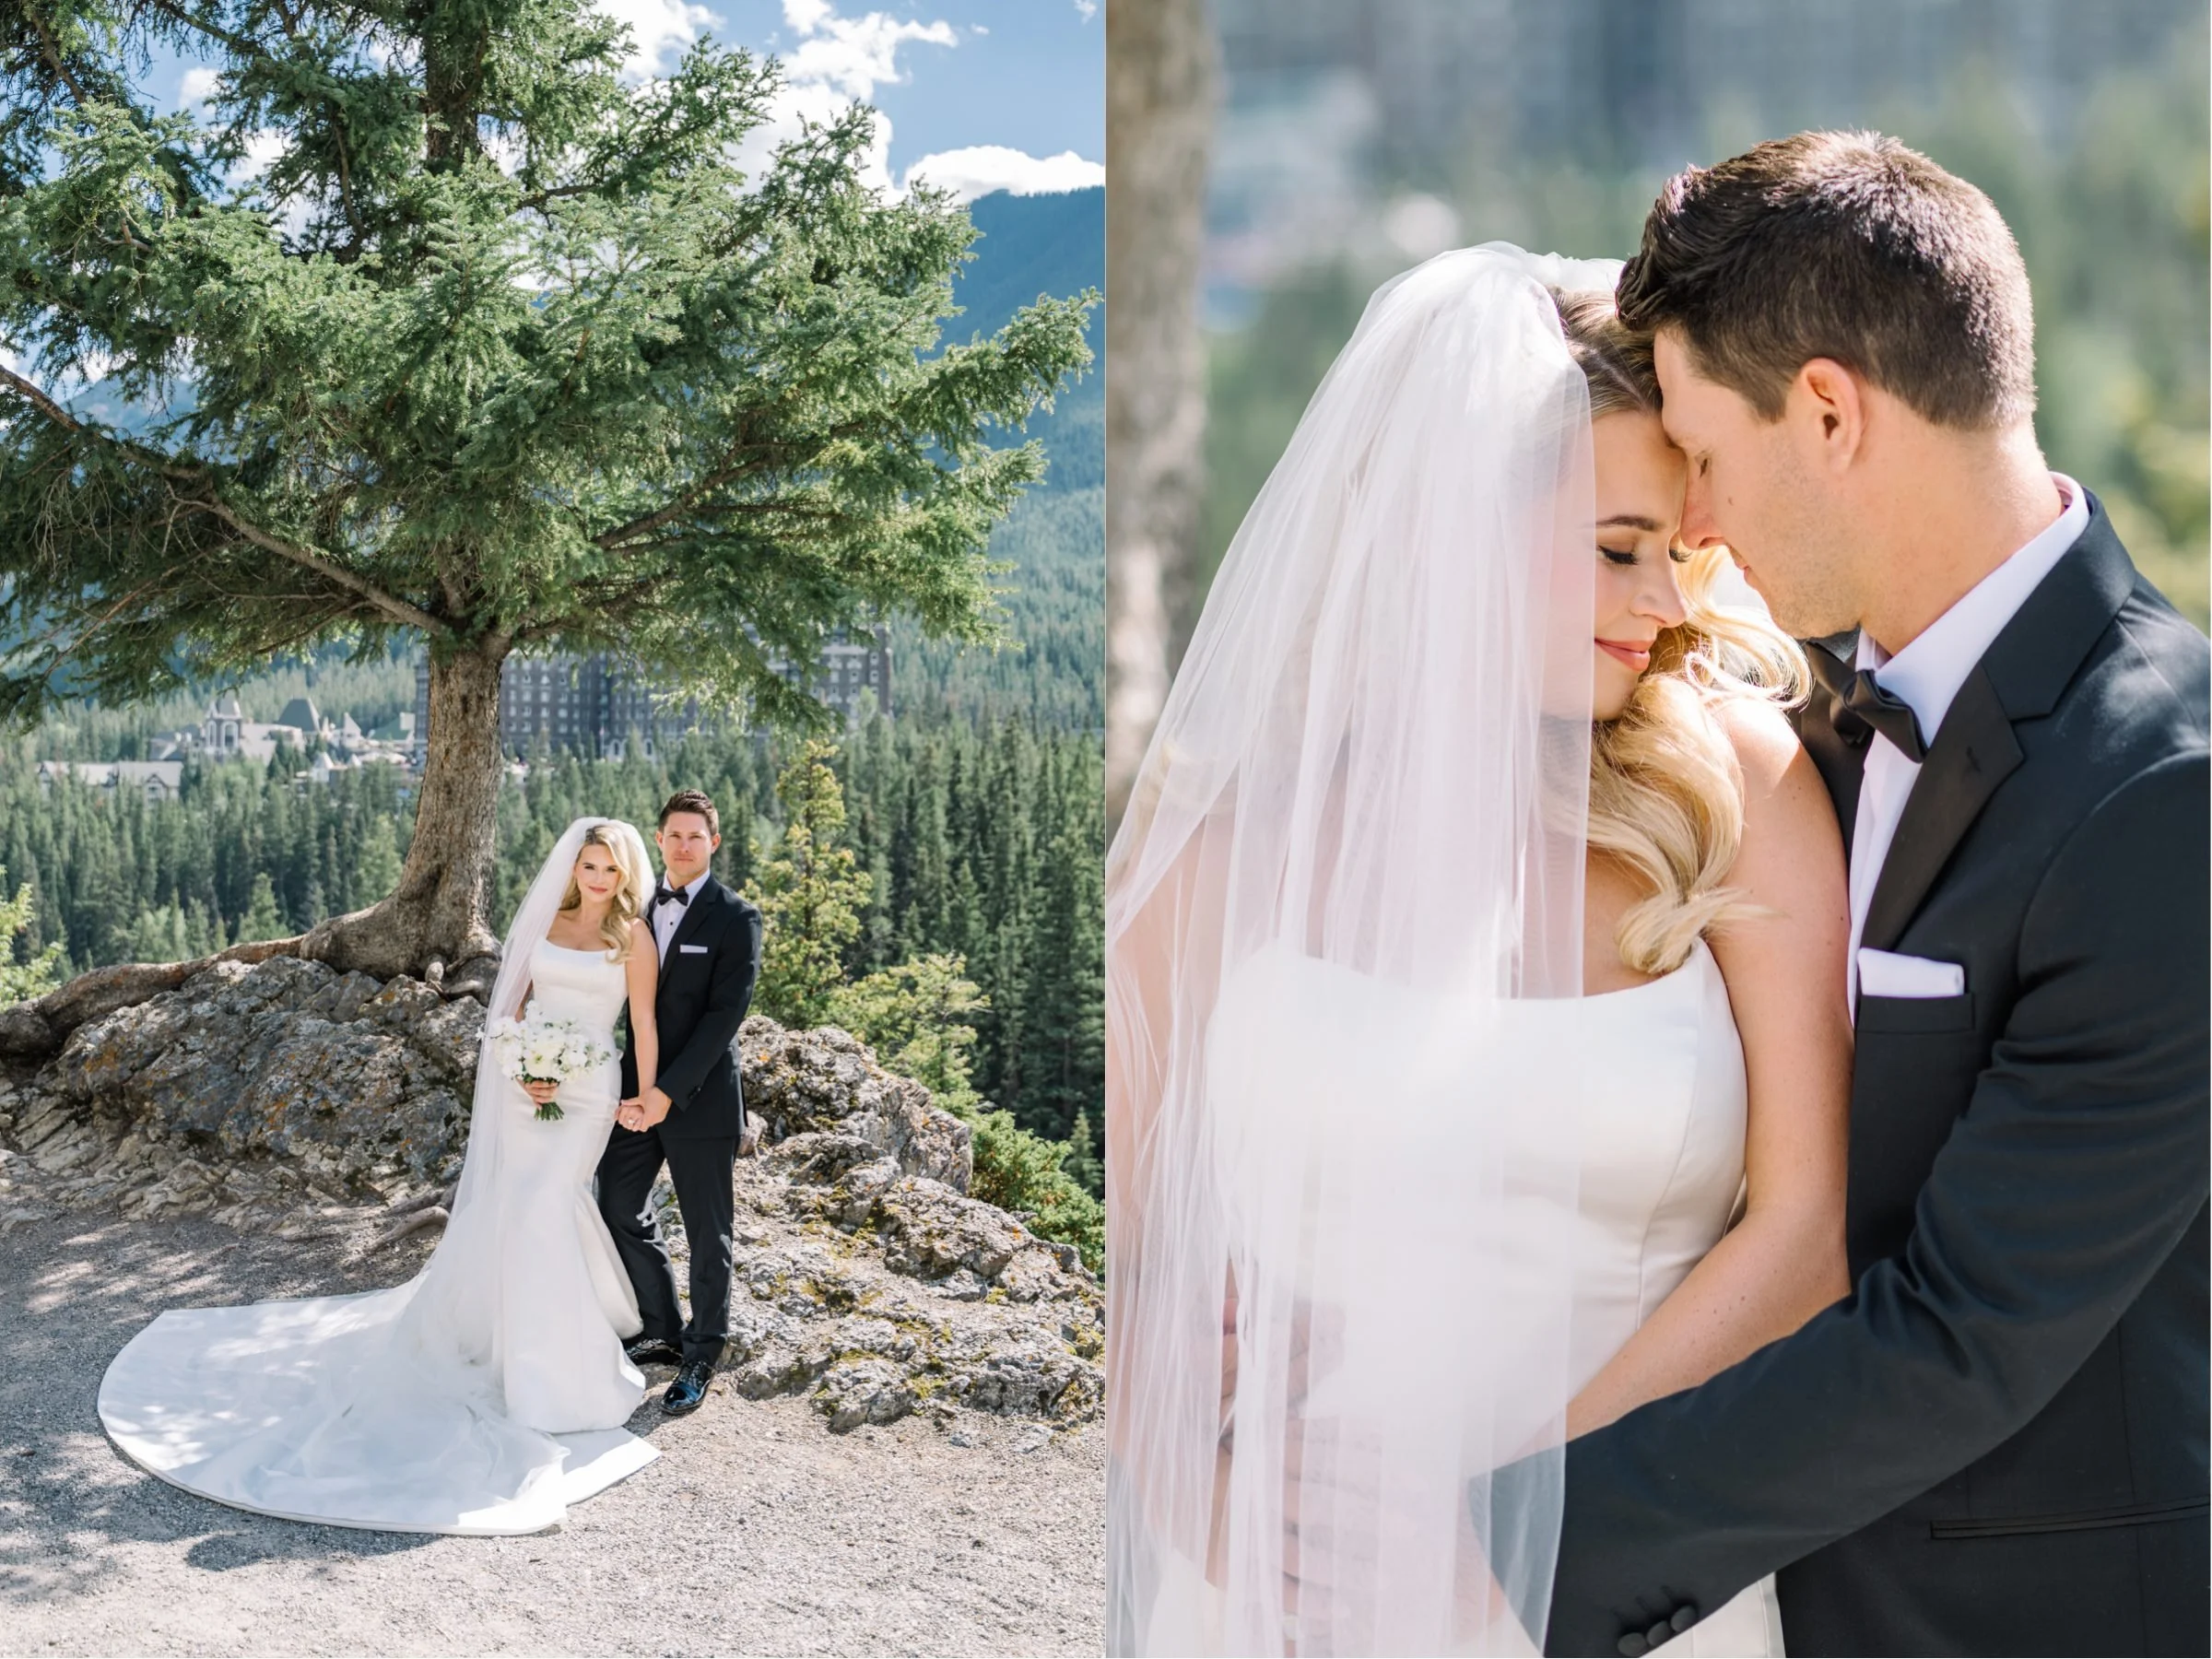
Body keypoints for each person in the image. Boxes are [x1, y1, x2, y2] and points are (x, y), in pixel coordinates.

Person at [1104, 242, 1853, 1655]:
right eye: (1618, 549)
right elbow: (1119, 1267)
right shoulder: (1218, 856)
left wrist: (1514, 1526)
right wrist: (1204, 1504)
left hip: (1623, 1580)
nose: (1670, 603)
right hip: (1287, 1595)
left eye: (1678, 555)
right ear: (1441, 530)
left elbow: (1807, 1237)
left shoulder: (1736, 792)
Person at [1535, 131, 2209, 1659]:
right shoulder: (1803, 731)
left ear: (1827, 410)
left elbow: (1964, 1335)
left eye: (1701, 452)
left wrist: (1501, 1550)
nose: (1691, 526)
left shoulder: (2170, 795)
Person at [99, 818, 667, 1535]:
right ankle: (511, 1350)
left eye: (609, 871)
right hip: (531, 1087)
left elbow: (642, 1022)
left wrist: (644, 1096)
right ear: (574, 870)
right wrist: (524, 1066)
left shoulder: (633, 939)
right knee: (520, 1211)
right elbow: (512, 1009)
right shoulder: (547, 922)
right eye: (588, 867)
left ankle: (559, 1371)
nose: (598, 880)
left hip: (588, 1090)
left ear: (624, 876)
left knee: (544, 1207)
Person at [596, 788, 764, 1418]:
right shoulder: (633, 906)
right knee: (616, 1203)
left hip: (700, 1101)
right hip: (632, 1095)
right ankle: (661, 1326)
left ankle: (702, 1353)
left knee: (708, 1233)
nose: (684, 845)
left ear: (713, 843)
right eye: (674, 835)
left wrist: (666, 1094)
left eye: (697, 836)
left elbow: (724, 1018)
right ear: (659, 840)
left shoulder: (737, 917)